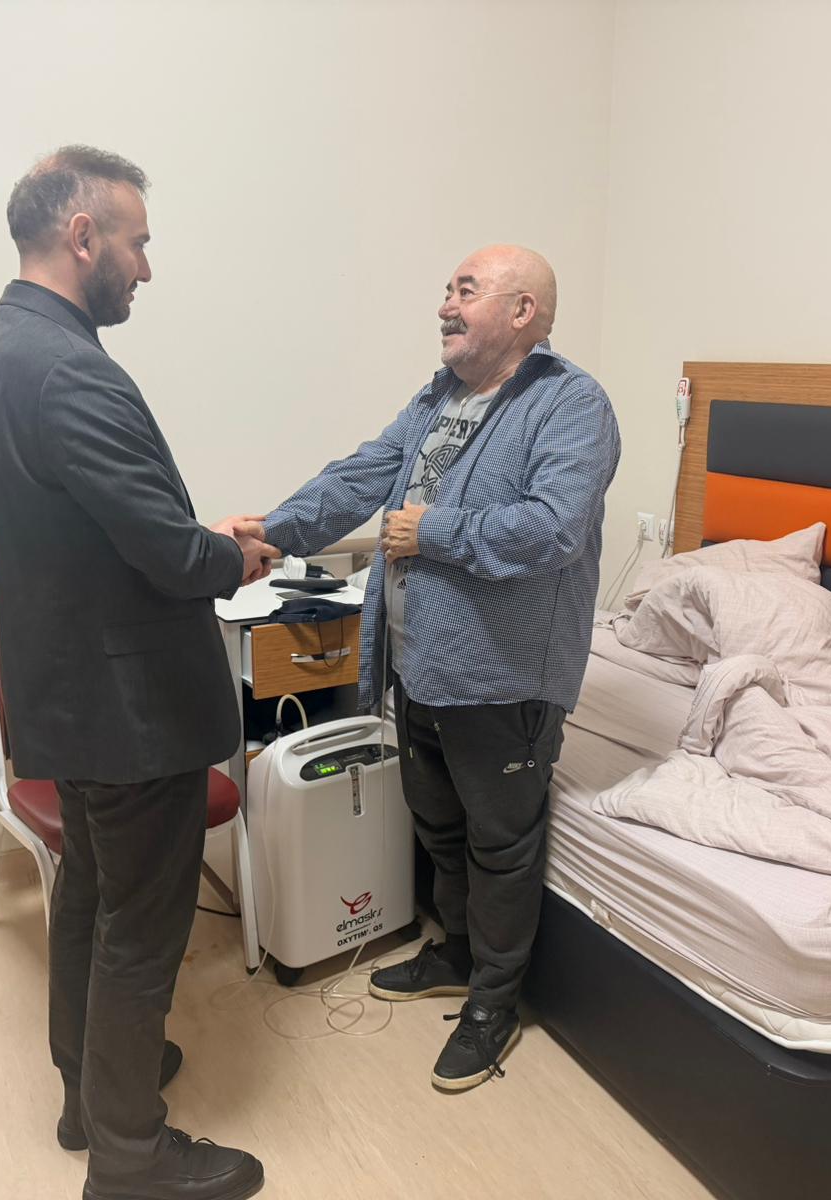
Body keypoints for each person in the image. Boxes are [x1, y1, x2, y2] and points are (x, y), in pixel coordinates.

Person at [0, 145, 268, 1200]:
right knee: (139, 934)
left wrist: (191, 537)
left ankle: (84, 1095)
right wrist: (230, 555)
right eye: (137, 243)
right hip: (130, 716)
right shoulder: (70, 369)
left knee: (90, 901)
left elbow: (91, 528)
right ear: (82, 236)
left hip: (71, 700)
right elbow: (167, 556)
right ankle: (129, 1161)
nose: (146, 267)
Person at [261, 244, 620, 1092]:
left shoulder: (572, 404)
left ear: (523, 311)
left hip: (505, 678)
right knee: (439, 824)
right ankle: (457, 951)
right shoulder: (439, 397)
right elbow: (362, 475)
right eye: (447, 291)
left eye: (466, 290)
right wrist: (270, 533)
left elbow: (554, 528)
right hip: (418, 664)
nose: (444, 306)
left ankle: (495, 1004)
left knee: (500, 844)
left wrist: (433, 531)